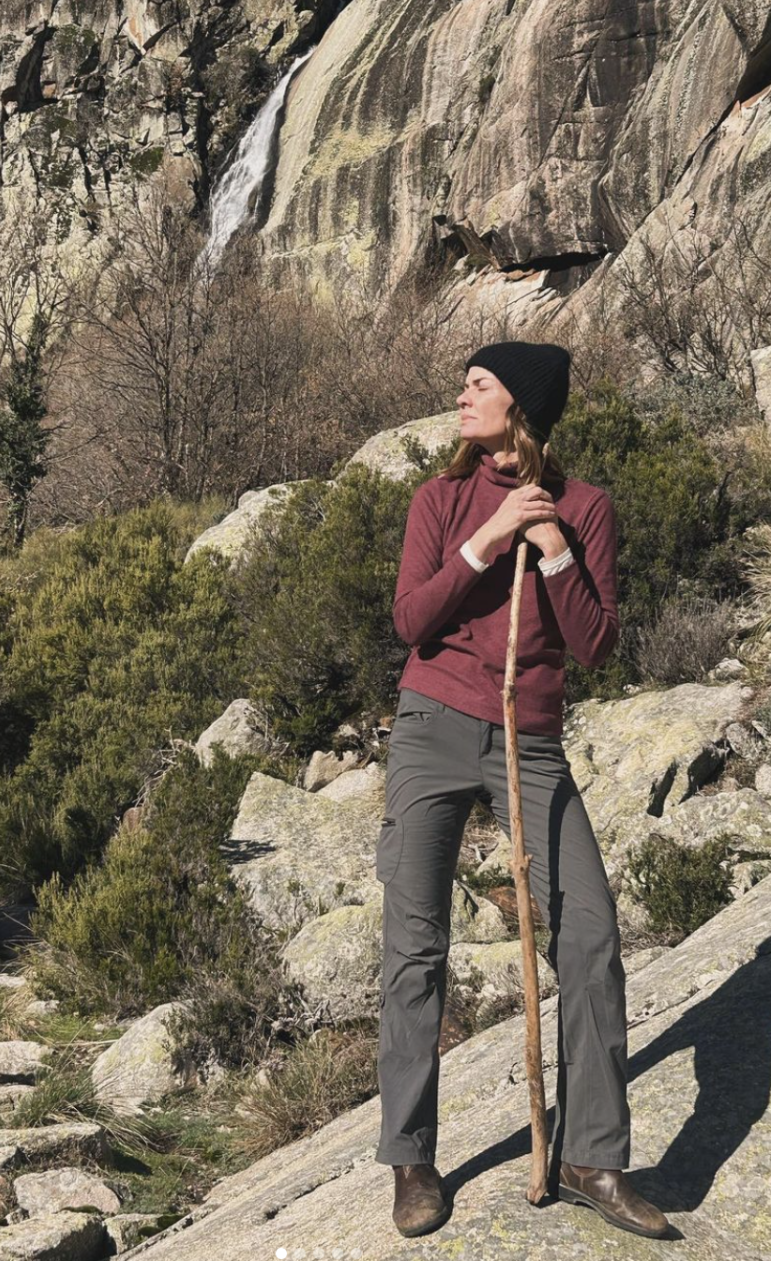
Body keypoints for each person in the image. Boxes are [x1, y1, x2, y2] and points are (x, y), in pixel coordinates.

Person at [375, 341, 671, 1241]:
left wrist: (547, 547)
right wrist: (488, 537)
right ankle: (412, 1158)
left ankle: (588, 1154)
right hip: (430, 726)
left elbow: (596, 645)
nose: (462, 394)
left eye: (480, 384)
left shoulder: (585, 509)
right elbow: (412, 620)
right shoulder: (440, 498)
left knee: (588, 935)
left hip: (530, 741)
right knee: (415, 945)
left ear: (524, 407)